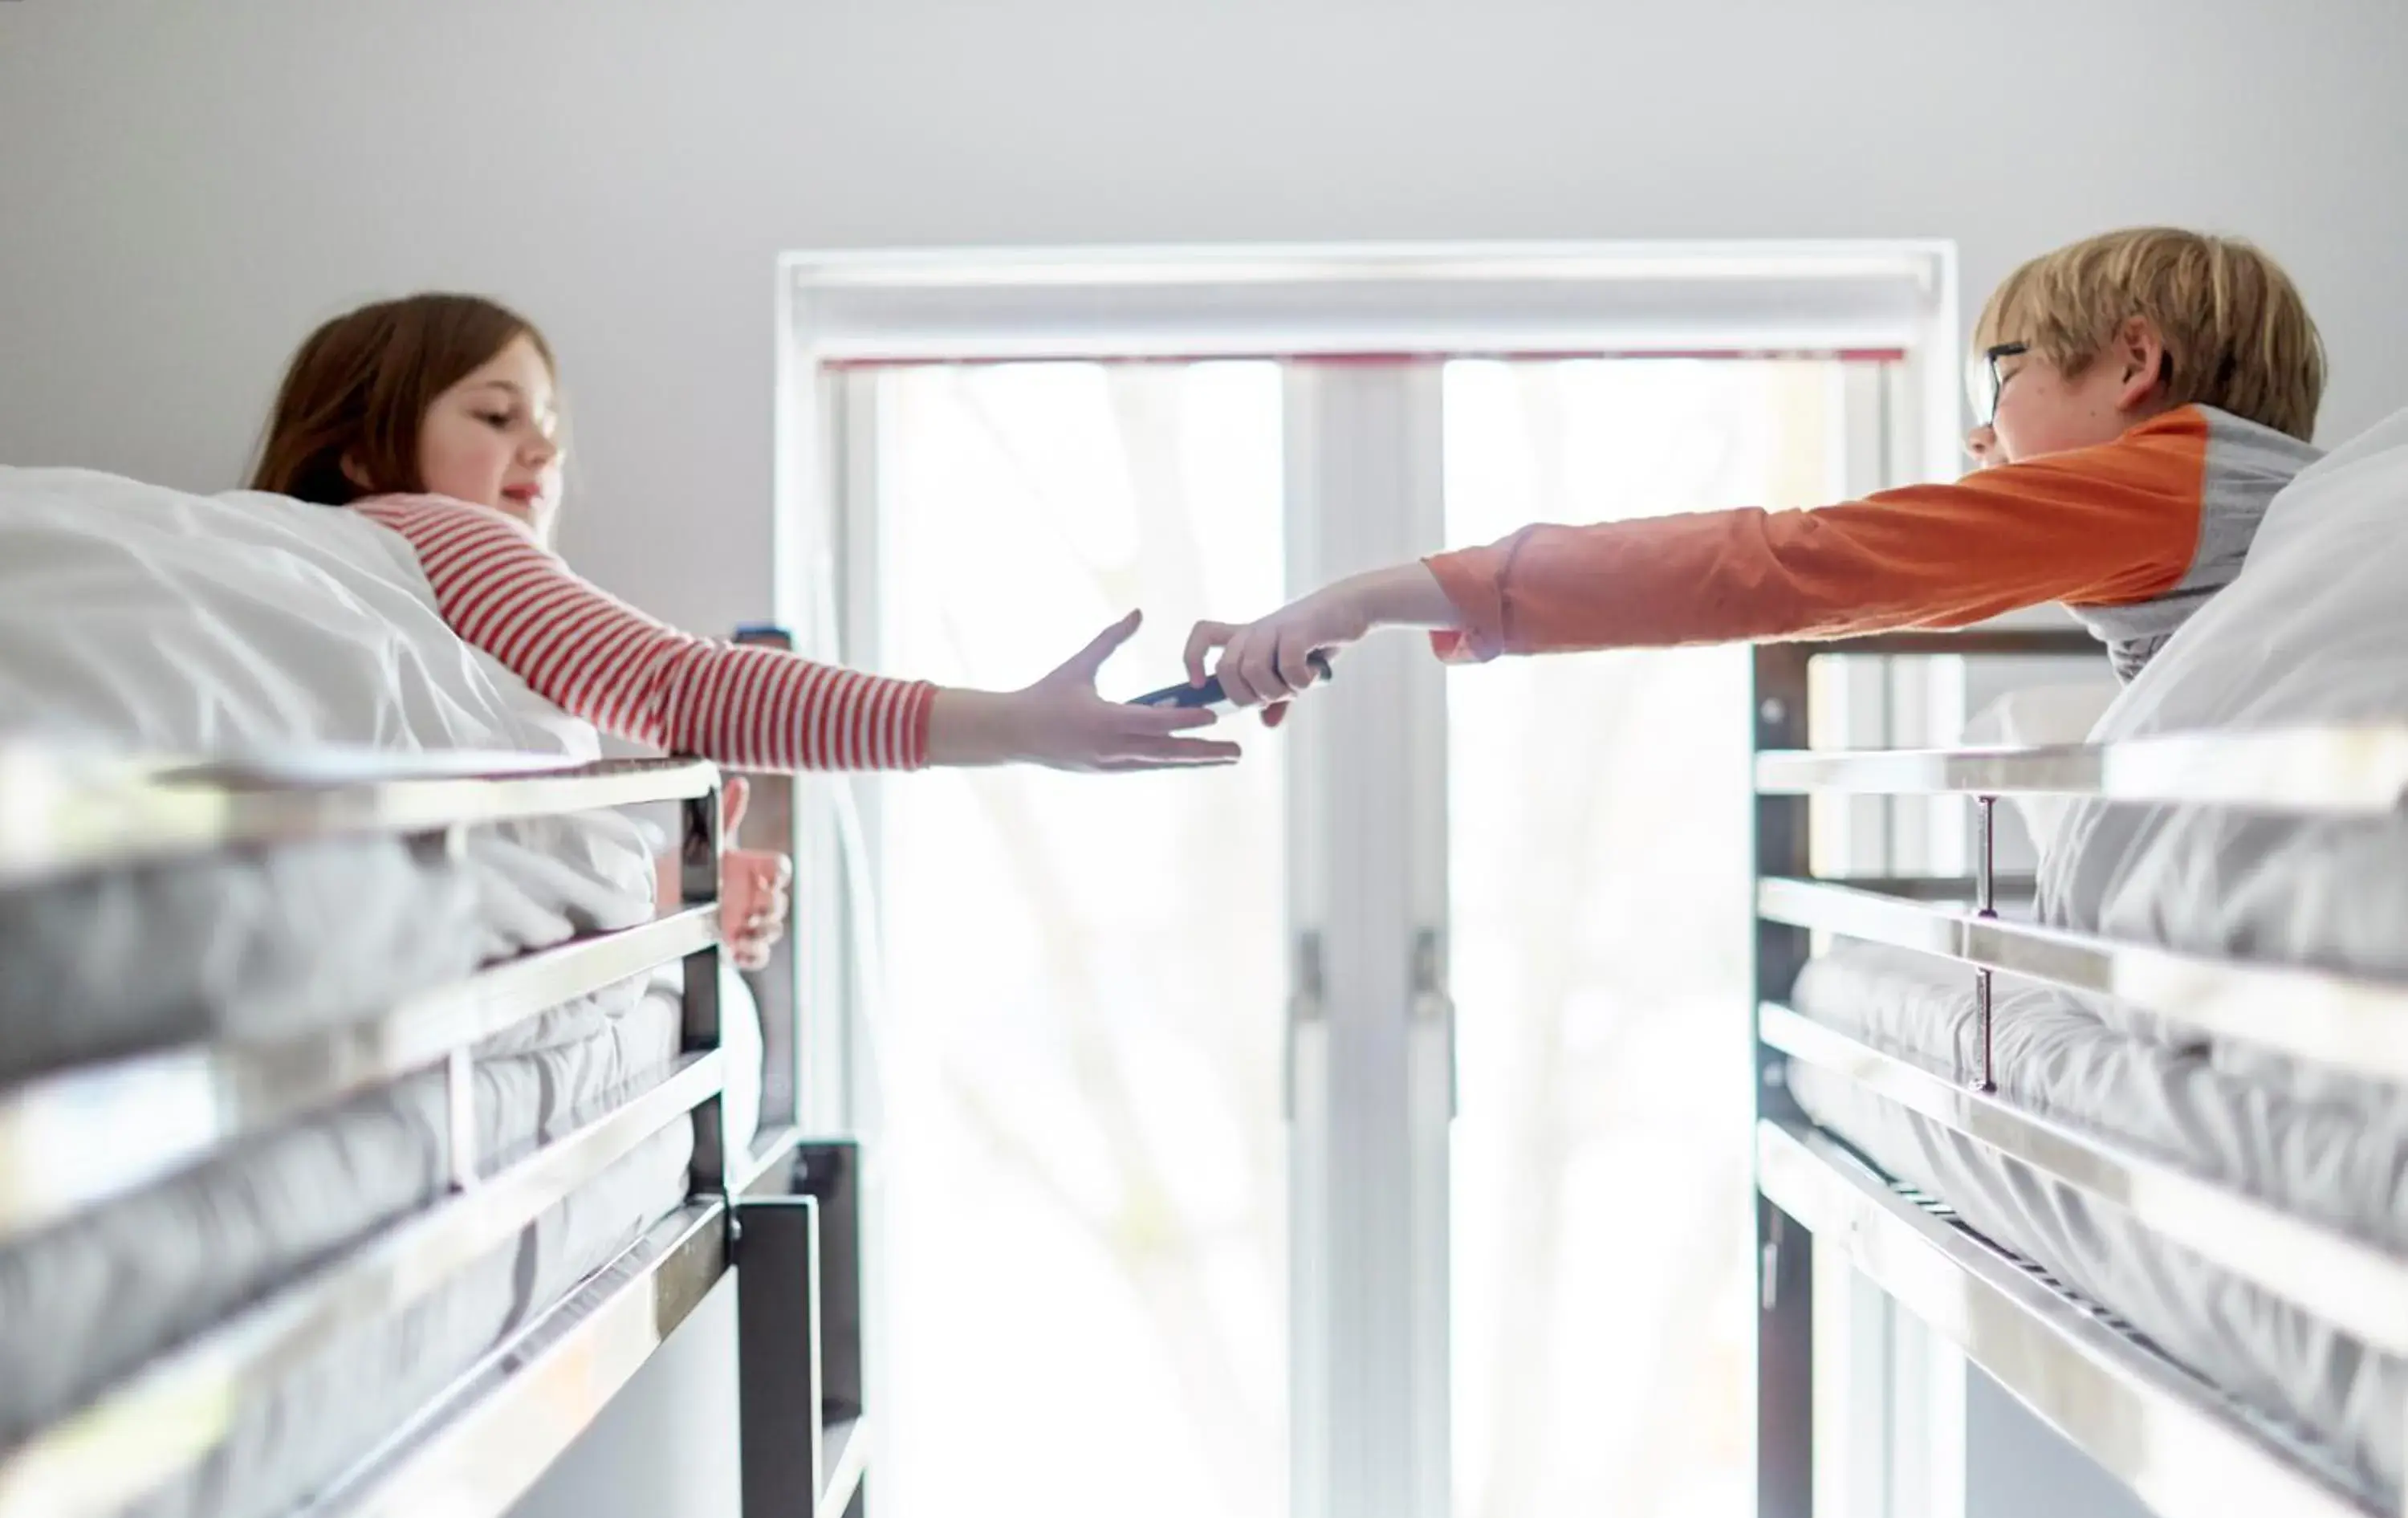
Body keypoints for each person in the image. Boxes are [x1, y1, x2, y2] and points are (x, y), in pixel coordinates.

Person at [252, 294, 1238, 965]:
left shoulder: (371, 585)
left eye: (549, 420)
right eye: (498, 414)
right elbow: (688, 689)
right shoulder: (425, 527)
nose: (544, 446)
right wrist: (1016, 726)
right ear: (356, 452)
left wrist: (672, 890)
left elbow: (478, 878)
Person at [1184, 227, 2329, 716]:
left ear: (2134, 362)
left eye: (2001, 381)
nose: (1983, 441)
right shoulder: (2237, 511)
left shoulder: (2172, 482)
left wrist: (1372, 595)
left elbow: (1774, 568)